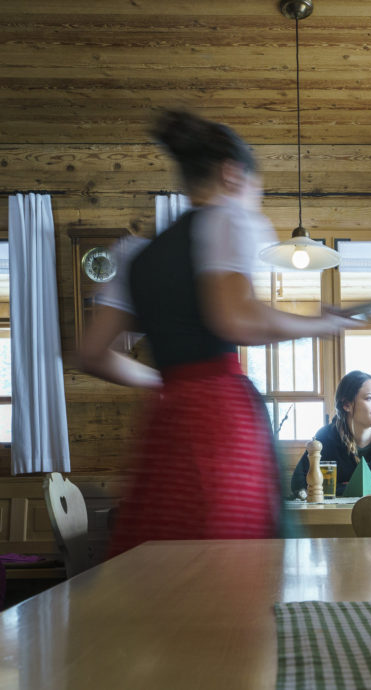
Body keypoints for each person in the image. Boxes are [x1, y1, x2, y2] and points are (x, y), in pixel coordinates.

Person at [80, 109, 356, 554]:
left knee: (165, 554)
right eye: (256, 190)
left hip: (168, 418)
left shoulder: (136, 255)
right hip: (219, 419)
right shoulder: (229, 220)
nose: (255, 202)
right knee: (228, 553)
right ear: (233, 175)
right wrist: (323, 323)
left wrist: (164, 382)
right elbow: (235, 318)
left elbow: (91, 352)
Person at [290, 370, 371, 496]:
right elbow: (298, 483)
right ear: (346, 405)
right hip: (338, 514)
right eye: (370, 398)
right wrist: (349, 490)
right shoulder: (326, 437)